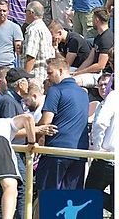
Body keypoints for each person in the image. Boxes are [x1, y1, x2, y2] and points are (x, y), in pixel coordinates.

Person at [36, 57, 90, 193]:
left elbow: (46, 121)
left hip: (56, 151)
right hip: (79, 152)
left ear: (60, 71)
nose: (48, 77)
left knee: (47, 197)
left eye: (50, 73)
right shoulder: (83, 94)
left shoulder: (55, 90)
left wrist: (32, 130)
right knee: (69, 199)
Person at [88, 73, 116, 214]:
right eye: (101, 84)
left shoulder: (113, 97)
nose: (104, 87)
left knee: (89, 196)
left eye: (107, 83)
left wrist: (97, 149)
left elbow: (100, 123)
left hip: (106, 159)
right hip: (109, 159)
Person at [73, 7, 113, 86]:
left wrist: (79, 73)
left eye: (93, 18)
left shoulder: (107, 39)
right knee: (66, 73)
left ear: (97, 20)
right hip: (92, 71)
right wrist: (76, 71)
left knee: (73, 81)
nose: (92, 21)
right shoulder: (98, 37)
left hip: (102, 74)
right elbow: (90, 59)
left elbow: (100, 65)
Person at [20, 1, 54, 84]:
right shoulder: (45, 29)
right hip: (44, 74)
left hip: (34, 76)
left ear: (31, 12)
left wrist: (24, 78)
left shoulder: (33, 30)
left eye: (26, 11)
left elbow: (31, 57)